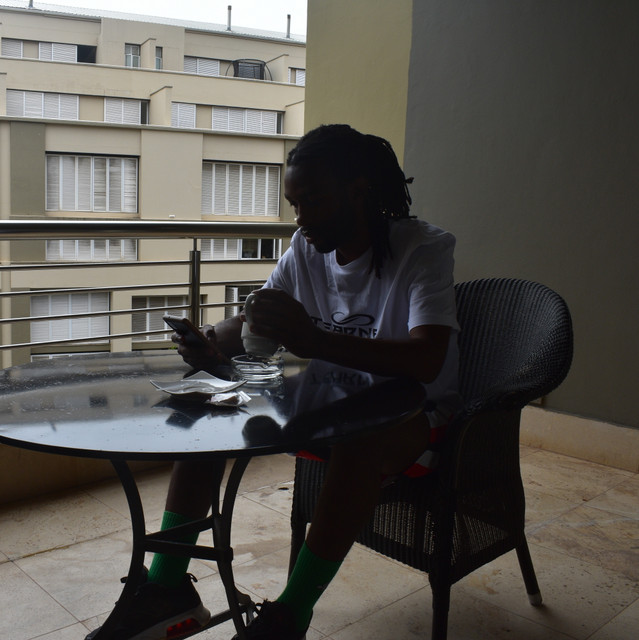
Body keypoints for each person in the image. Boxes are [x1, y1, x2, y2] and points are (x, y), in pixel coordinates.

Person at [85, 124, 460, 640]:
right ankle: (166, 587)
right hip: (326, 408)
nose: (300, 218)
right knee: (210, 406)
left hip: (413, 419)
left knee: (361, 438)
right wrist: (211, 342)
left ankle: (289, 616)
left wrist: (316, 341)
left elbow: (428, 360)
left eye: (313, 201)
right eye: (294, 204)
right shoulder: (306, 247)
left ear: (359, 191)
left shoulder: (422, 249)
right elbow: (253, 319)